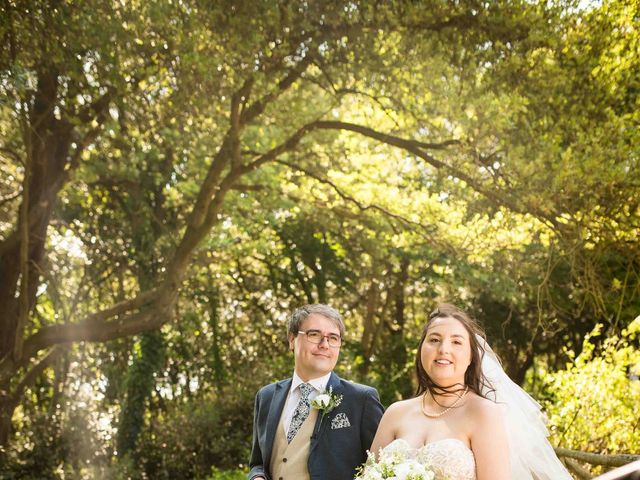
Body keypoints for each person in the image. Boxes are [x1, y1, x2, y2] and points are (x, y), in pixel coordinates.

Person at [369, 303, 572, 480]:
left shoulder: (484, 413)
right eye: (434, 340)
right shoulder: (395, 413)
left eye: (456, 342)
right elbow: (367, 475)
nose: (443, 349)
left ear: (471, 358)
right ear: (421, 348)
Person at [248, 304, 384, 480]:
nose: (324, 345)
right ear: (292, 340)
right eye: (314, 335)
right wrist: (257, 477)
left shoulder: (362, 400)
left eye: (333, 338)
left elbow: (381, 467)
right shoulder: (266, 396)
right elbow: (257, 463)